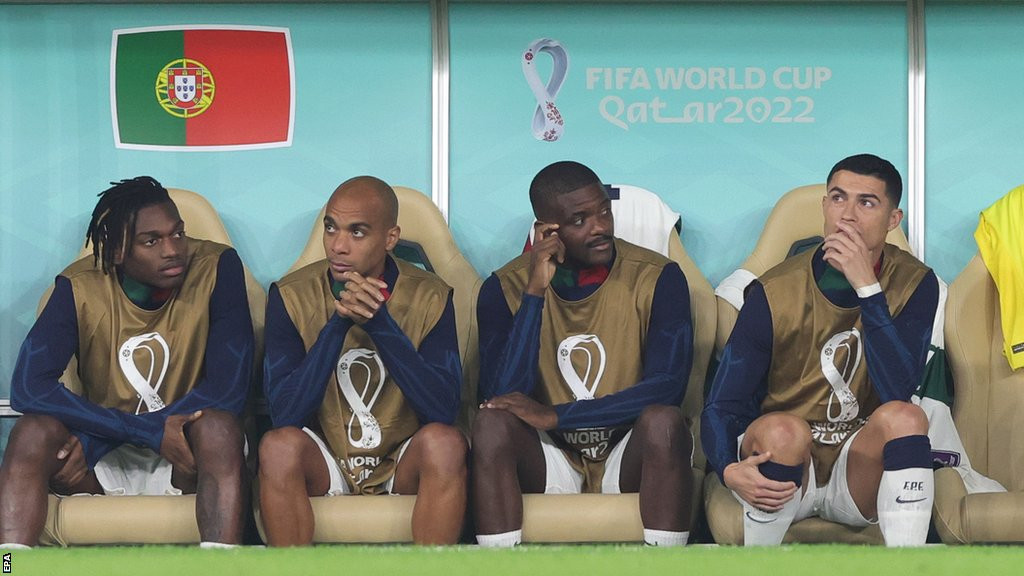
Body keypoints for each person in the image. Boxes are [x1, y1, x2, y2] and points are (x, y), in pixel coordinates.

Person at [0, 176, 253, 548]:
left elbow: (229, 388)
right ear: (117, 249)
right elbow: (28, 387)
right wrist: (136, 432)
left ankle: (221, 569)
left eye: (178, 234)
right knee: (30, 433)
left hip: (187, 455)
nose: (173, 250)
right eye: (152, 241)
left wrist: (153, 432)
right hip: (103, 455)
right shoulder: (79, 285)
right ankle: (9, 568)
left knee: (219, 428)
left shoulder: (217, 267)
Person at [702, 154, 939, 547]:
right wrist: (726, 468)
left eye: (866, 203)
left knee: (907, 417)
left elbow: (899, 390)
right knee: (784, 429)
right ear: (824, 206)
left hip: (857, 470)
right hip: (789, 465)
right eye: (837, 198)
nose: (846, 215)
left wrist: (869, 291)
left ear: (893, 220)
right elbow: (722, 403)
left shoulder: (917, 283)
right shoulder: (773, 291)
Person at [472, 160, 694, 547]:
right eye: (580, 220)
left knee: (664, 423)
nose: (601, 227)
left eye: (604, 211)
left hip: (627, 451)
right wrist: (535, 293)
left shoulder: (659, 276)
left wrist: (558, 415)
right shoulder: (502, 288)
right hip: (548, 454)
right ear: (547, 231)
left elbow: (667, 388)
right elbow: (502, 399)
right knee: (490, 426)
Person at [258, 176, 467, 546]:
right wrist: (338, 322)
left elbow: (442, 410)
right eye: (331, 228)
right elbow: (284, 414)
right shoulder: (291, 295)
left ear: (390, 238)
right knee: (277, 446)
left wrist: (381, 325)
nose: (338, 246)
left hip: (402, 459)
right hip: (326, 461)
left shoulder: (431, 296)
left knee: (446, 444)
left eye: (357, 232)